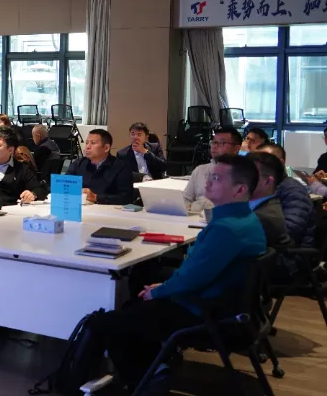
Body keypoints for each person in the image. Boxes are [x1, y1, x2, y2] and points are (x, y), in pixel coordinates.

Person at [96, 154, 266, 394]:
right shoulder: (245, 220)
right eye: (209, 176)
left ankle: (146, 381)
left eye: (216, 178)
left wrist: (159, 291)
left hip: (207, 313)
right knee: (135, 301)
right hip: (226, 307)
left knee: (111, 322)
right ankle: (156, 367)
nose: (207, 182)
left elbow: (191, 278)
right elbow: (195, 274)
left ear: (240, 189)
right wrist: (164, 287)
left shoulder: (226, 229)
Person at [259, 144, 316, 249]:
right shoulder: (259, 186)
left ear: (280, 163)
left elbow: (289, 230)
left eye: (265, 162)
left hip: (288, 252)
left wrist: (252, 233)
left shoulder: (294, 191)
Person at [64, 129, 134, 205]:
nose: (87, 147)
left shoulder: (121, 167)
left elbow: (125, 198)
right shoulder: (78, 164)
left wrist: (96, 197)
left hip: (106, 210)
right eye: (87, 143)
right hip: (79, 207)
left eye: (92, 143)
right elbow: (63, 185)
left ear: (106, 148)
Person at [182, 127, 242, 213]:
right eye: (213, 142)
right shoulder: (200, 170)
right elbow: (185, 199)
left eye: (220, 143)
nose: (214, 147)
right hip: (194, 218)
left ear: (236, 149)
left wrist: (197, 206)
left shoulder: (244, 173)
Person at [0, 127, 46, 205]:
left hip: (9, 210)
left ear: (10, 150)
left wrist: (32, 194)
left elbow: (40, 189)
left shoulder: (21, 169)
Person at [247, 151, 293, 248]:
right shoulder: (256, 208)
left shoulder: (263, 218)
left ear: (268, 181)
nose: (239, 179)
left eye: (248, 175)